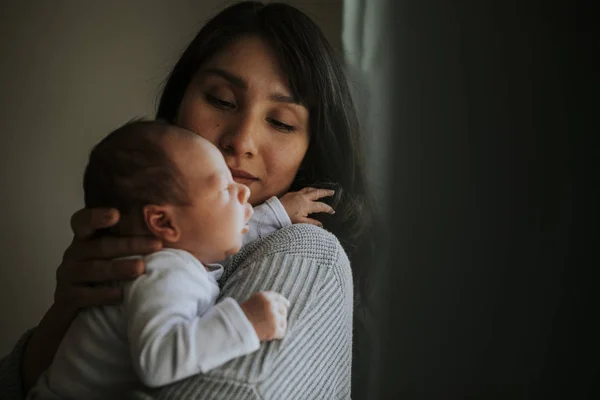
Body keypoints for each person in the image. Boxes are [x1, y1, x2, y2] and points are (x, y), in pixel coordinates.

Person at [1, 2, 378, 399]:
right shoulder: (170, 261)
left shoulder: (307, 252)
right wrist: (65, 314)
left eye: (281, 122)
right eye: (220, 100)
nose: (242, 140)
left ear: (312, 147)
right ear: (179, 102)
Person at [27, 120, 299, 398]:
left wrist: (278, 214)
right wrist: (244, 323)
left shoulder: (175, 258)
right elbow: (157, 361)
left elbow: (225, 234)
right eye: (224, 189)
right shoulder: (163, 272)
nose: (244, 192)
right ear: (163, 222)